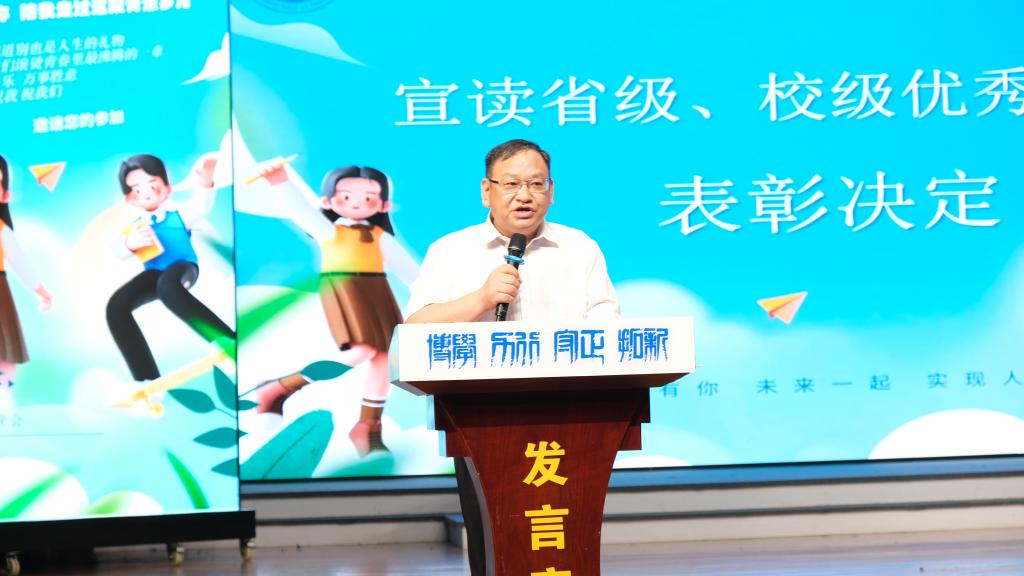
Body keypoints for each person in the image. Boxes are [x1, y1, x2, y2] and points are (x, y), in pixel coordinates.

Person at [405, 139, 619, 575]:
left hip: (573, 417)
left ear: (551, 191)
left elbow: (607, 328)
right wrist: (481, 299)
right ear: (487, 191)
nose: (525, 195)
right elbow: (416, 326)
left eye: (536, 184)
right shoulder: (450, 250)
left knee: (566, 528)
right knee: (497, 538)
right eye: (512, 184)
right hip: (481, 419)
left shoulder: (580, 247)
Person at [252, 162, 418, 456]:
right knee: (361, 351)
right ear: (328, 201)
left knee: (386, 358)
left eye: (368, 197)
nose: (357, 203)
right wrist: (280, 180)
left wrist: (437, 294)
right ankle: (279, 388)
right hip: (345, 289)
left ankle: (368, 426)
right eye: (347, 196)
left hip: (378, 291)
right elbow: (300, 211)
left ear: (383, 204)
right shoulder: (330, 231)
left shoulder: (379, 236)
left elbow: (410, 272)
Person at [107, 153, 235, 382]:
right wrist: (130, 243)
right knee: (117, 306)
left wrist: (206, 179)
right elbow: (118, 249)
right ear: (130, 199)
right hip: (154, 275)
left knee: (168, 288)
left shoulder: (179, 216)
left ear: (167, 188)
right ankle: (146, 378)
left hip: (183, 267)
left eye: (152, 185)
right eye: (137, 189)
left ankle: (224, 339)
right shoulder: (136, 227)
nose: (146, 192)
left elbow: (201, 206)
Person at [0, 154, 53, 424]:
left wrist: (40, 290)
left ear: (5, 195)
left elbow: (20, 261)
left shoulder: (1, 230)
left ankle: (5, 400)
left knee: (5, 350)